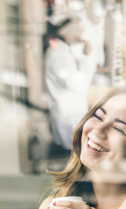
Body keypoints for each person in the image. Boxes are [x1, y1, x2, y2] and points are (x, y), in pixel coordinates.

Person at [45, 16, 96, 150]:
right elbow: (79, 85)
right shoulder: (58, 55)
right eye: (79, 32)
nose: (80, 37)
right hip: (69, 119)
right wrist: (86, 57)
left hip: (71, 117)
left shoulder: (62, 52)